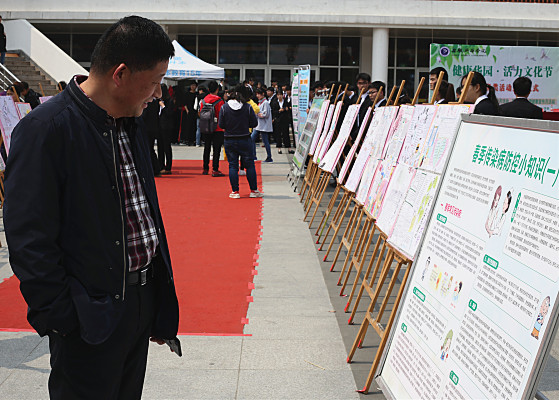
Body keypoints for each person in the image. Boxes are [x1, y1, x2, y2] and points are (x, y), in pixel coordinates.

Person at [4, 16, 180, 400]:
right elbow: (29, 239)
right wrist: (63, 319)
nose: (157, 94)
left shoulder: (130, 123)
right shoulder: (47, 129)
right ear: (120, 74)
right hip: (88, 313)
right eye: (154, 82)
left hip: (139, 301)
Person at [218, 84, 263, 199]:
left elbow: (221, 124)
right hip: (245, 139)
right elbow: (254, 123)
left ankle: (235, 191)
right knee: (250, 165)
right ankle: (253, 190)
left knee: (233, 166)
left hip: (229, 139)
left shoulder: (224, 107)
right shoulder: (247, 107)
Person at [199, 80, 225, 176]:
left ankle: (205, 168)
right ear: (217, 89)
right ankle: (215, 169)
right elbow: (222, 114)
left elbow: (201, 113)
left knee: (206, 148)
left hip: (206, 127)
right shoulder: (220, 101)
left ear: (208, 89)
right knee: (216, 149)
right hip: (217, 127)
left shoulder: (204, 100)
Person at [252, 88, 273, 162]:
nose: (257, 96)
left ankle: (269, 157)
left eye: (259, 94)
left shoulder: (265, 103)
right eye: (256, 94)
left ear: (263, 94)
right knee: (252, 139)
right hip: (259, 125)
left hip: (263, 125)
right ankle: (254, 156)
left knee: (265, 141)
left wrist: (258, 114)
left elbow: (266, 114)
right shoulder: (260, 103)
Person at [158, 84, 174, 174]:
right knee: (160, 147)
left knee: (167, 147)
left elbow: (169, 113)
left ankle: (168, 167)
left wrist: (163, 106)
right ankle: (161, 166)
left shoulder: (169, 101)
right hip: (159, 126)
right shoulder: (158, 100)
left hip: (167, 127)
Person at [270, 90, 293, 154]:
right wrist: (279, 111)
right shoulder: (275, 102)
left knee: (286, 134)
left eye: (280, 95)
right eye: (278, 95)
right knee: (278, 134)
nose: (279, 96)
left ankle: (289, 148)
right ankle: (279, 149)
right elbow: (273, 111)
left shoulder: (285, 101)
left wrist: (286, 109)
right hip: (278, 120)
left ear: (283, 95)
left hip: (285, 120)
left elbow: (289, 108)